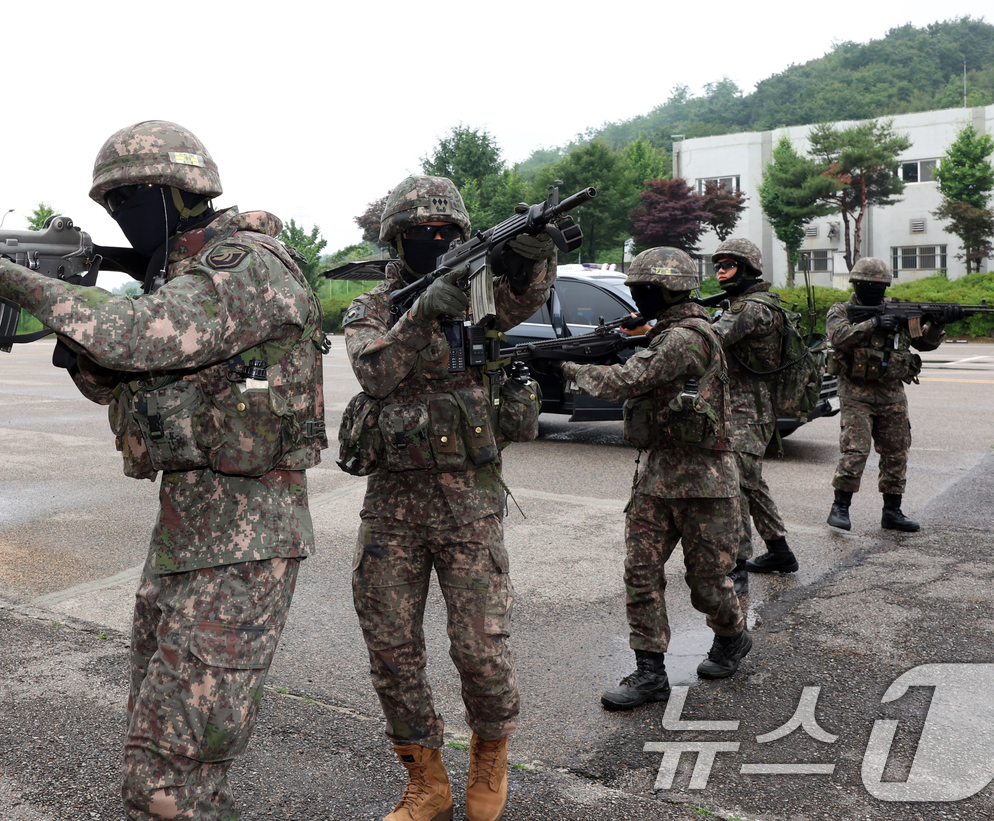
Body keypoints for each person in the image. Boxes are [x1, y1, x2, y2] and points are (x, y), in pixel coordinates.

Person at [0, 120, 327, 820]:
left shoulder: (247, 267)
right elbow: (121, 375)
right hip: (189, 538)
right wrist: (68, 331)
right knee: (162, 754)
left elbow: (134, 333)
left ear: (172, 192)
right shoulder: (180, 279)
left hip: (246, 548)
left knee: (166, 780)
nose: (116, 217)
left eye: (126, 201)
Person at [339, 174, 554, 821]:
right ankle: (425, 779)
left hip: (469, 503)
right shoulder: (373, 306)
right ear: (395, 242)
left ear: (461, 237)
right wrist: (424, 308)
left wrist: (533, 249)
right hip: (392, 507)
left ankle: (490, 748)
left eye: (444, 234)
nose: (433, 243)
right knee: (391, 647)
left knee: (480, 647)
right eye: (418, 235)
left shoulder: (479, 293)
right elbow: (372, 369)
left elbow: (528, 295)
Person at [561, 247, 748, 711]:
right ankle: (650, 674)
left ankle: (732, 637)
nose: (635, 297)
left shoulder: (686, 337)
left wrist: (567, 366)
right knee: (641, 575)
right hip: (657, 477)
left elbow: (626, 381)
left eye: (640, 290)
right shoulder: (664, 333)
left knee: (707, 582)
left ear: (661, 290)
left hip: (705, 482)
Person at [825, 257, 952, 532]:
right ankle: (840, 507)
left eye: (879, 286)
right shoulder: (841, 311)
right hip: (855, 392)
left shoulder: (902, 311)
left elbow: (923, 343)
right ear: (856, 284)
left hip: (891, 393)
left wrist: (938, 324)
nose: (874, 289)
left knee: (897, 451)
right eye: (868, 285)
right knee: (855, 450)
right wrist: (874, 323)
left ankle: (892, 511)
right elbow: (838, 337)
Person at [707, 239, 797, 579]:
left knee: (736, 485)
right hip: (744, 407)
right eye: (717, 265)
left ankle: (737, 565)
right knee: (751, 482)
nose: (720, 271)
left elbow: (707, 339)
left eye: (727, 264)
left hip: (747, 409)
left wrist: (659, 329)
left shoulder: (750, 309)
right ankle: (780, 552)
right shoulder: (743, 304)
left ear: (746, 268)